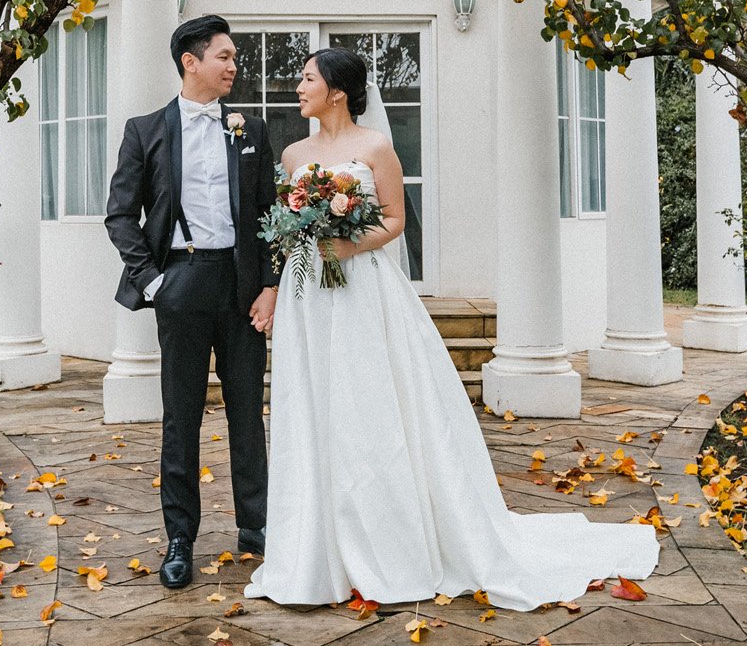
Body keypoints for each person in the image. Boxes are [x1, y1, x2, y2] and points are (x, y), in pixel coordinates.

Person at [243, 47, 659, 611]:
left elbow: (394, 219)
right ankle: (318, 549)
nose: (298, 86)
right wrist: (298, 247)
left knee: (369, 405)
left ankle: (389, 542)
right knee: (314, 406)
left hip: (363, 291)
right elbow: (284, 225)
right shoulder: (293, 152)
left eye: (308, 78)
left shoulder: (374, 147)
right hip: (308, 296)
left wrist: (345, 242)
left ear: (336, 91)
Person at [103, 15, 279, 590]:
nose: (234, 66)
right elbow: (120, 215)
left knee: (247, 412)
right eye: (225, 57)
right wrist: (154, 283)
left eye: (233, 58)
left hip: (240, 286)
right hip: (180, 281)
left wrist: (271, 285)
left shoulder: (249, 129)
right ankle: (181, 538)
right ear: (191, 62)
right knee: (180, 419)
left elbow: (270, 215)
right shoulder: (146, 130)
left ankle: (257, 528)